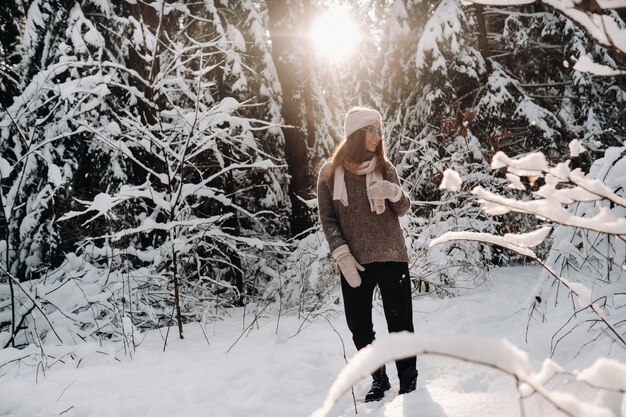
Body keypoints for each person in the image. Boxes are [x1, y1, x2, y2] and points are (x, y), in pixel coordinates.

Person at [316, 106, 418, 402]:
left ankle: (408, 383)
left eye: (379, 129)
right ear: (356, 134)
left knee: (400, 323)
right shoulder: (330, 174)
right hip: (355, 261)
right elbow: (328, 218)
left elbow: (403, 208)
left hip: (391, 256)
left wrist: (393, 192)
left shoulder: (385, 168)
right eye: (371, 129)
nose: (378, 135)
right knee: (359, 325)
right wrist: (342, 255)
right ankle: (379, 379)